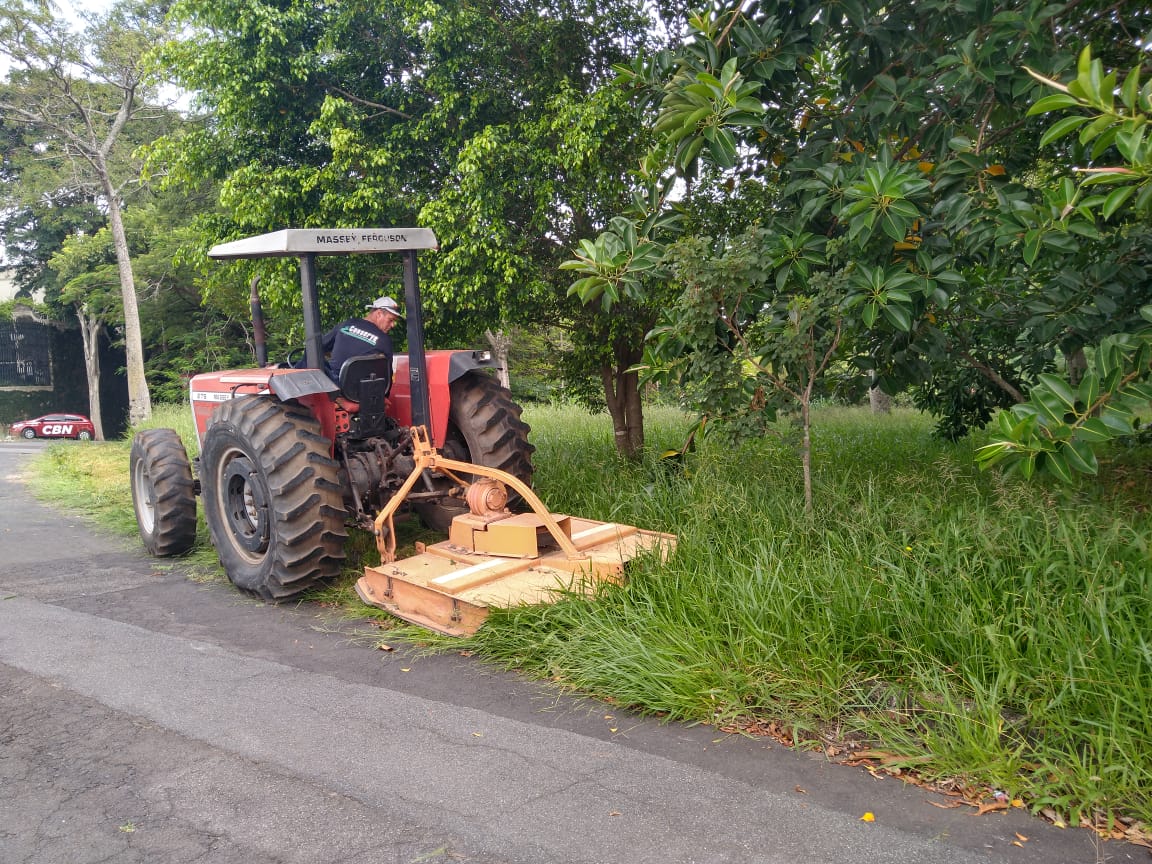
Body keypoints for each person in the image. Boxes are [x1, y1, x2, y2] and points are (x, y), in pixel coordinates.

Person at [317, 296, 404, 384]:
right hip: (359, 394)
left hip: (333, 388)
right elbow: (387, 380)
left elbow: (318, 347)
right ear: (379, 314)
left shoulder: (346, 325)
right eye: (390, 320)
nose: (393, 325)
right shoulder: (385, 341)